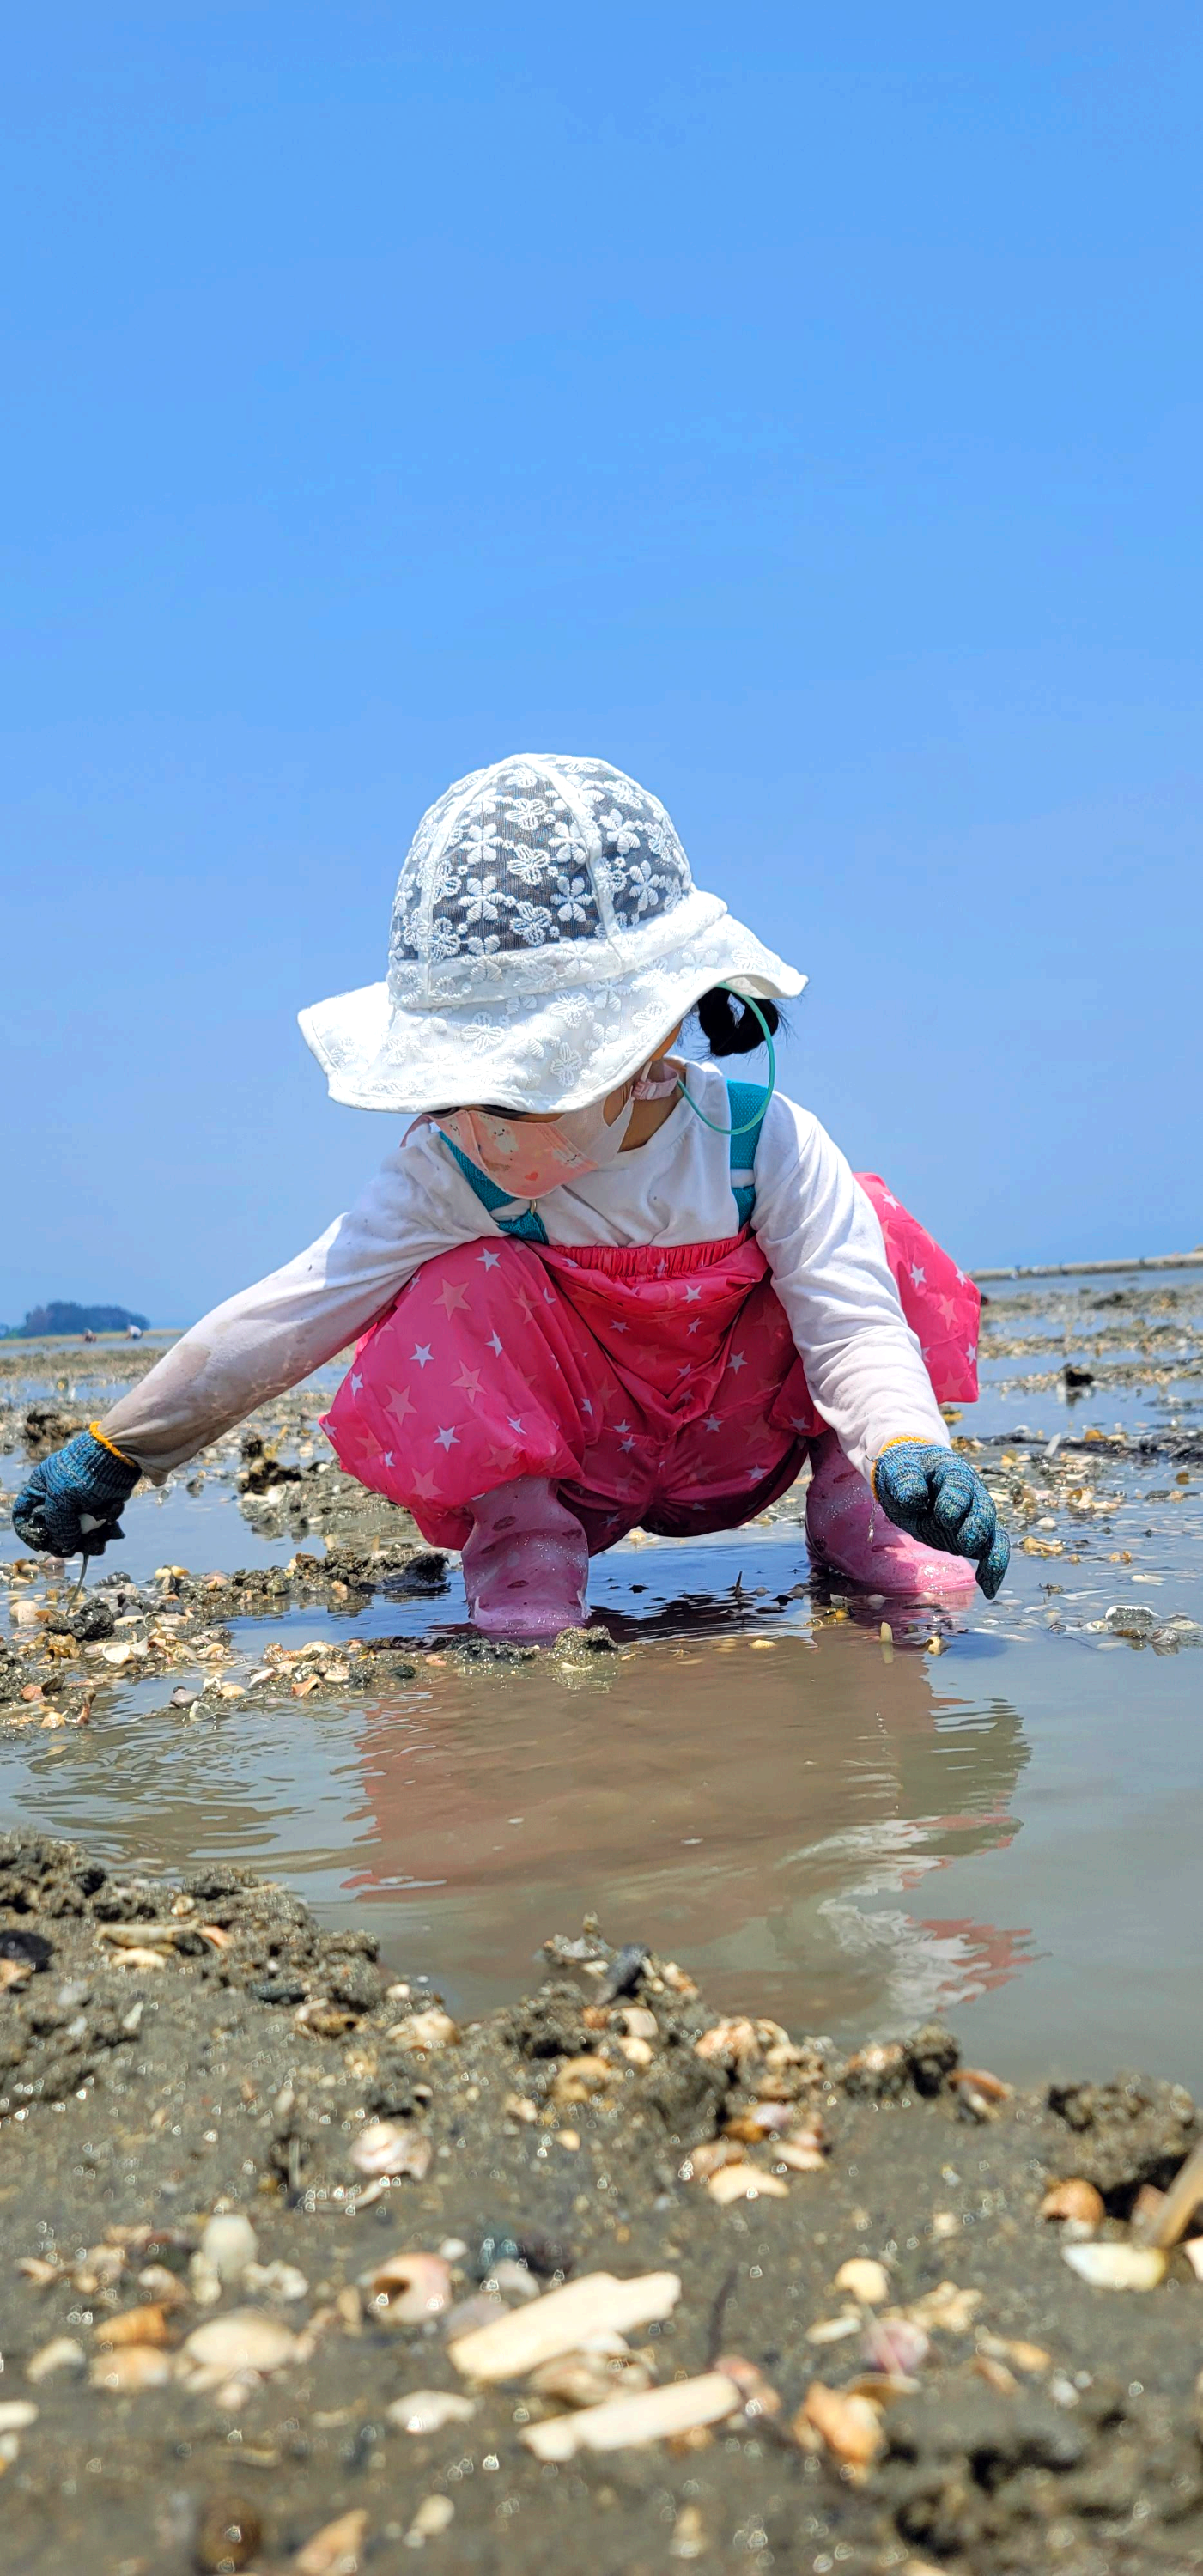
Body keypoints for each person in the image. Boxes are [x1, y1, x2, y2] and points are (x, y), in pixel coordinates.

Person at [14, 753, 1008, 1636]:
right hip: (585, 1463)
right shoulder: (453, 1170)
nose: (475, 1118)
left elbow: (850, 1321)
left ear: (649, 1044)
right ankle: (524, 1548)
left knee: (873, 1226)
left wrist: (905, 1445)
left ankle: (863, 1519)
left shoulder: (763, 1146)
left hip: (736, 1444)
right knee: (464, 1278)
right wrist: (121, 1448)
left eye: (515, 1084)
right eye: (457, 1085)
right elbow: (300, 1306)